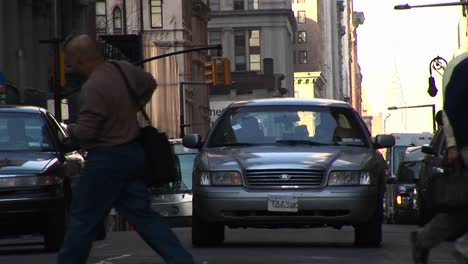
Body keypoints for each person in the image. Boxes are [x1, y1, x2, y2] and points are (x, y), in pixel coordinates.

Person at [58, 35, 196, 264]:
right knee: (144, 217)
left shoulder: (93, 88)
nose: (69, 64)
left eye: (70, 59)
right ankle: (182, 260)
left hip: (105, 159)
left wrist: (71, 130)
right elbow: (150, 82)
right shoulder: (121, 70)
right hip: (132, 154)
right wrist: (136, 104)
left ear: (82, 58)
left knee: (84, 219)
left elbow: (88, 133)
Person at [410, 51, 468, 264]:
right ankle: (464, 249)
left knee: (461, 209)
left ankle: (424, 239)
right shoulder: (462, 67)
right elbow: (451, 108)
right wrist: (453, 144)